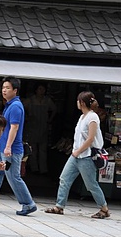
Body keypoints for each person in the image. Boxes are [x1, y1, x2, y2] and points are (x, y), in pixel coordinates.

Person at [0, 76, 37, 216]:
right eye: (3, 88)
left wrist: (8, 147)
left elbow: (14, 128)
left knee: (13, 177)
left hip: (11, 151)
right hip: (2, 148)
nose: (4, 90)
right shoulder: (10, 105)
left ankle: (28, 204)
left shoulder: (15, 106)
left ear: (15, 90)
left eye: (7, 88)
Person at [45, 91, 110, 219]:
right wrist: (76, 152)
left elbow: (90, 139)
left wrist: (78, 151)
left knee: (91, 184)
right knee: (64, 179)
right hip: (76, 155)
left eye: (78, 101)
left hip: (86, 156)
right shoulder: (82, 117)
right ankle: (59, 206)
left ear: (82, 103)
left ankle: (104, 208)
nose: (77, 103)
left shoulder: (93, 117)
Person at [22, 82, 56, 174]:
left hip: (43, 126)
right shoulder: (30, 100)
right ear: (36, 90)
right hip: (32, 126)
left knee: (43, 149)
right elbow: (21, 108)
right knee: (33, 149)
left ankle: (43, 169)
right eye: (40, 89)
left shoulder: (47, 100)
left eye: (43, 89)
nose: (41, 91)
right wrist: (26, 118)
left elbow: (54, 109)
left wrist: (50, 119)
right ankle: (34, 168)